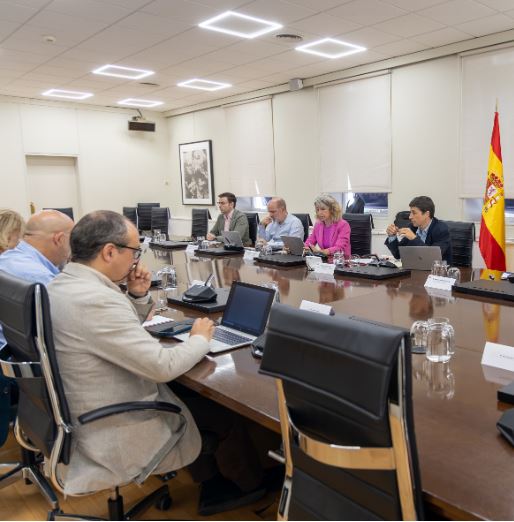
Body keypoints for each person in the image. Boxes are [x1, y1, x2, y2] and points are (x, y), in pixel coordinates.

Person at [47, 211, 265, 515]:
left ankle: (209, 479)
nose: (137, 261)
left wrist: (136, 297)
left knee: (193, 395)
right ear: (109, 252)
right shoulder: (97, 299)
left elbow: (107, 336)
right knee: (221, 412)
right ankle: (251, 487)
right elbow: (161, 366)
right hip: (111, 422)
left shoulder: (62, 284)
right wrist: (200, 337)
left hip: (81, 410)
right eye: (135, 252)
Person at [0, 209, 74, 346]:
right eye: (73, 240)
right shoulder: (40, 278)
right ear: (59, 239)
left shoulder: (7, 258)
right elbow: (71, 327)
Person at [385, 196, 452, 264]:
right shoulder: (412, 227)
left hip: (437, 272)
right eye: (410, 212)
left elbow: (432, 258)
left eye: (414, 213)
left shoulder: (441, 230)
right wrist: (392, 236)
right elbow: (398, 254)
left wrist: (414, 238)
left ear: (426, 214)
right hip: (416, 269)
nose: (410, 217)